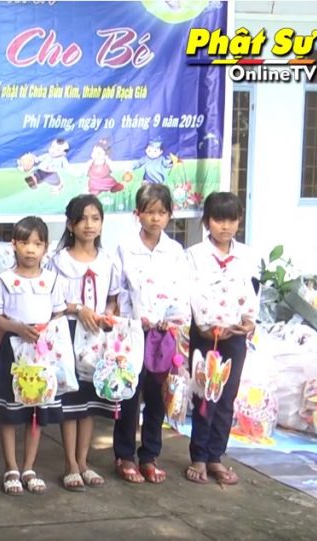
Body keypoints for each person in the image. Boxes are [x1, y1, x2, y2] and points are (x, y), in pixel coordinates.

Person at [114, 184, 191, 485]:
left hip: (165, 333)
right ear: (138, 214)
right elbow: (119, 290)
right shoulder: (125, 248)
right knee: (130, 394)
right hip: (134, 332)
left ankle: (149, 455)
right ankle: (124, 455)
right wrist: (131, 320)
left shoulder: (174, 251)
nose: (155, 219)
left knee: (159, 396)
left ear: (170, 215)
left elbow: (182, 289)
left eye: (161, 212)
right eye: (149, 212)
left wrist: (173, 322)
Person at [0, 216, 65, 496]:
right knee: (10, 412)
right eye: (25, 242)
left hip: (42, 353)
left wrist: (46, 329)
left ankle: (29, 467)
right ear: (14, 245)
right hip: (13, 350)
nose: (31, 249)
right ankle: (10, 467)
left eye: (37, 243)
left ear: (46, 247)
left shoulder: (53, 280)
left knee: (36, 410)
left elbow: (58, 312)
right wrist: (17, 328)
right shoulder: (3, 281)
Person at [184, 192, 259, 485]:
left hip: (234, 337)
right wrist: (203, 327)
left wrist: (248, 322)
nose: (225, 226)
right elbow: (190, 293)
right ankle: (198, 457)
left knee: (227, 397)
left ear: (239, 221)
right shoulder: (194, 255)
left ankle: (216, 457)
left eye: (231, 219)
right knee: (204, 396)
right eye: (218, 219)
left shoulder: (248, 256)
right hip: (205, 336)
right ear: (207, 221)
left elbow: (251, 295)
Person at [48, 195, 122, 491]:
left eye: (95, 218)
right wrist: (78, 309)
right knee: (72, 401)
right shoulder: (58, 261)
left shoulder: (107, 261)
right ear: (70, 224)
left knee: (90, 403)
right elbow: (53, 301)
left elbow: (114, 298)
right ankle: (70, 464)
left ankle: (84, 461)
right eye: (83, 219)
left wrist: (108, 315)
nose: (89, 225)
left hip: (98, 337)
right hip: (69, 333)